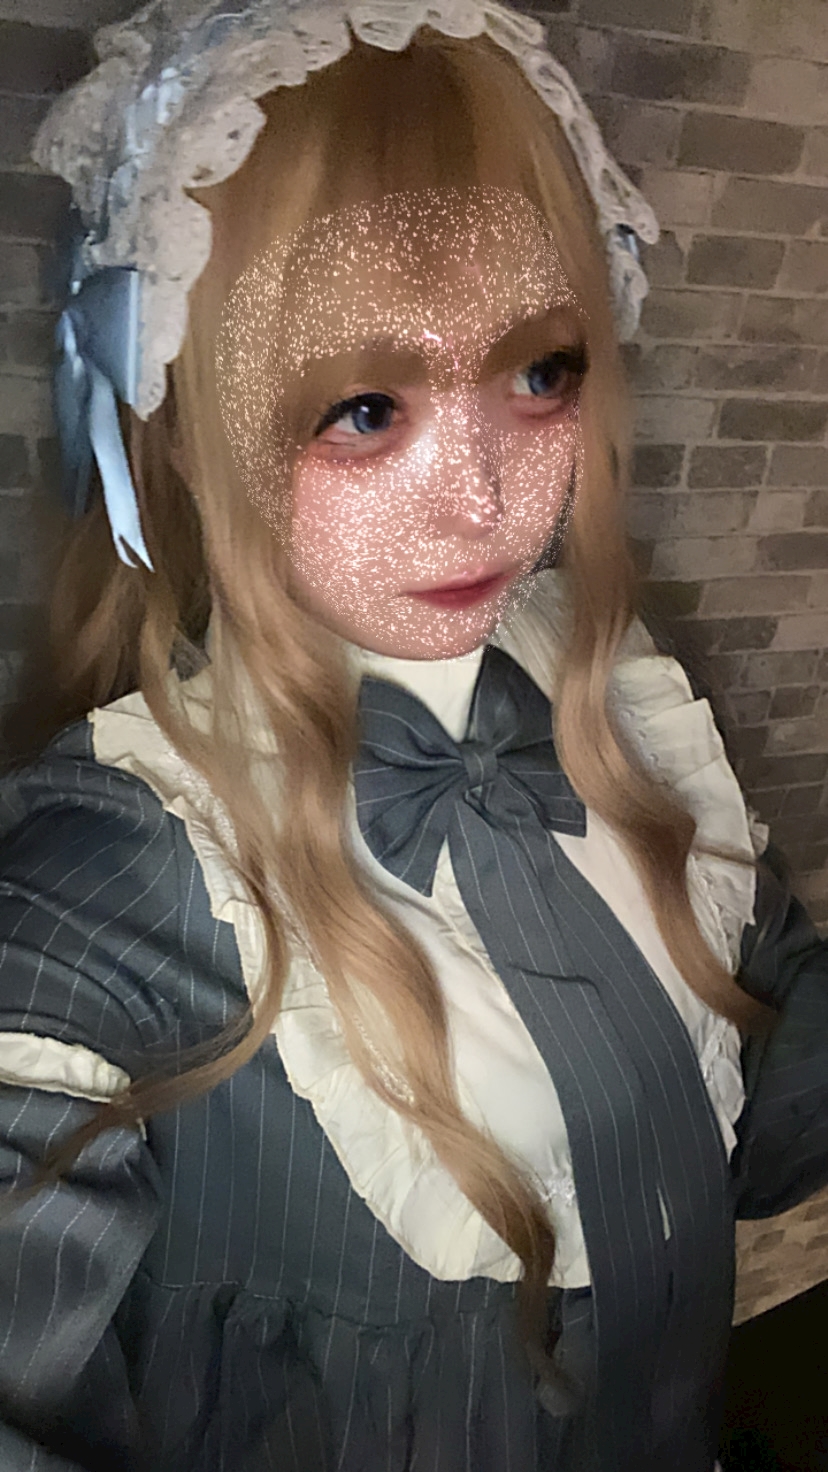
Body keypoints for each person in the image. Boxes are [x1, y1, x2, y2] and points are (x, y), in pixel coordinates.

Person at [0, 5, 826, 1470]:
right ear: (180, 417)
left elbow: (775, 1108)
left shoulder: (621, 703)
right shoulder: (106, 887)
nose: (484, 499)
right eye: (367, 407)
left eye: (541, 374)